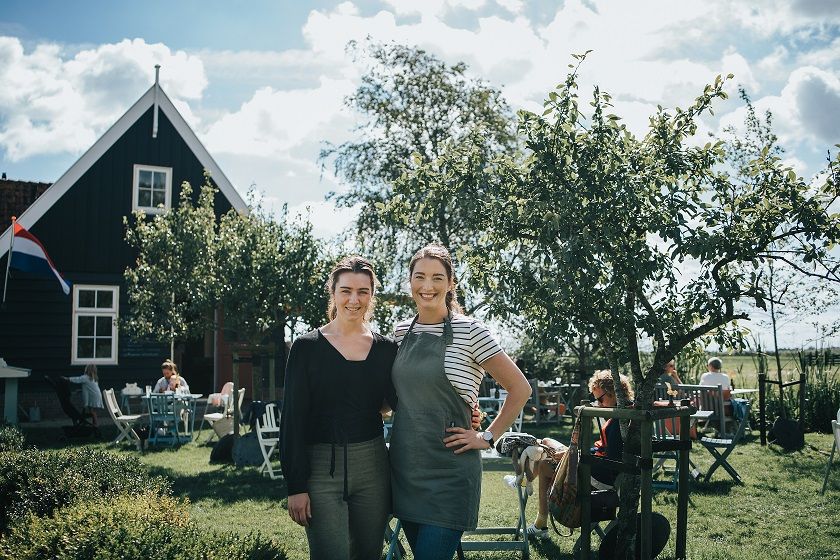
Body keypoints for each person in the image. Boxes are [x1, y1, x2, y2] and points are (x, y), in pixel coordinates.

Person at [389, 244, 532, 560]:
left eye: (437, 277)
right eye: (420, 276)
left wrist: (487, 436)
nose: (427, 286)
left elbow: (520, 389)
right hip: (407, 469)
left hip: (450, 474)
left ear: (451, 283)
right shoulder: (400, 333)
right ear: (409, 281)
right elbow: (396, 397)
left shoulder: (471, 331)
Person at [281, 256, 398, 560]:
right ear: (332, 292)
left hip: (373, 465)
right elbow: (292, 419)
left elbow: (403, 401)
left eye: (363, 291)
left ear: (372, 295)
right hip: (320, 468)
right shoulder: (306, 347)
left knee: (368, 554)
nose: (354, 300)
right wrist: (296, 485)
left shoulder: (387, 349)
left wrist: (465, 411)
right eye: (346, 290)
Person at [526, 369, 634, 539]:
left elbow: (611, 461)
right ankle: (526, 481)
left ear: (612, 393)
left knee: (545, 464)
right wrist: (574, 455)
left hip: (598, 478)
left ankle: (536, 512)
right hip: (596, 470)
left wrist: (576, 457)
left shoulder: (620, 421)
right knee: (546, 443)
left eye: (600, 399)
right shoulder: (627, 413)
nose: (599, 405)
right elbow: (606, 453)